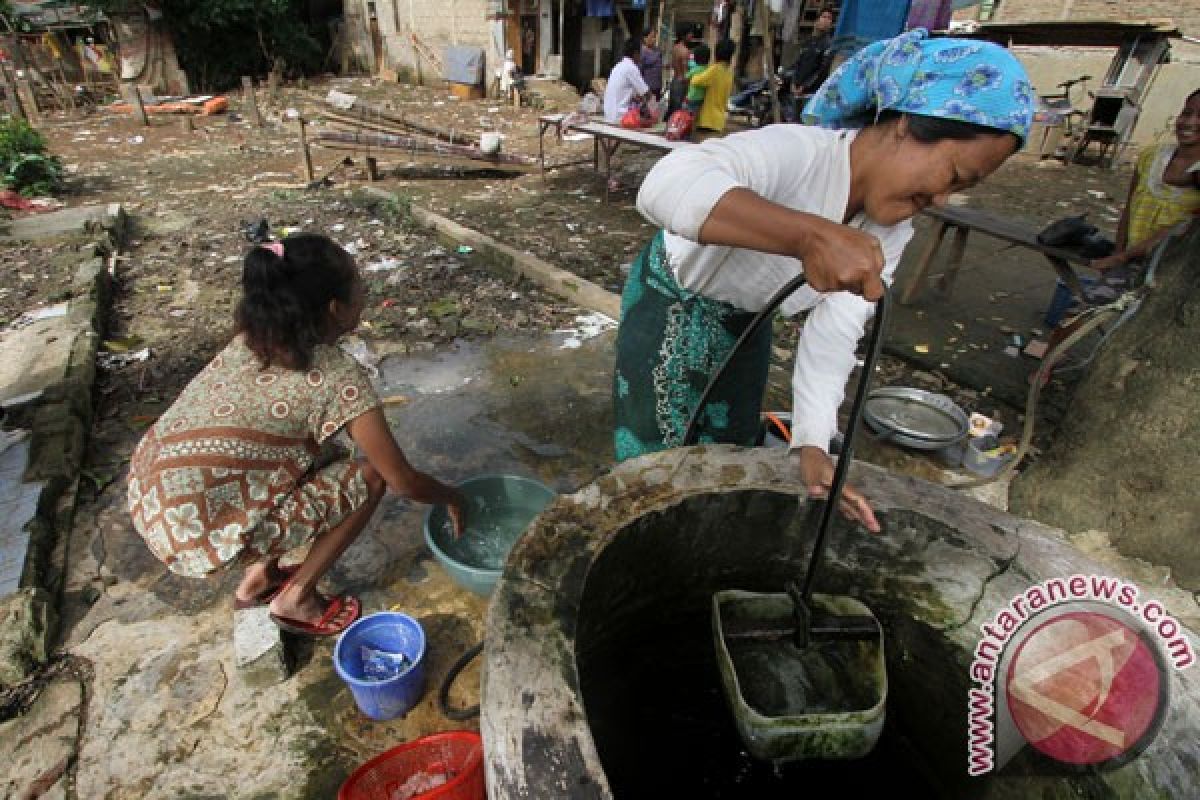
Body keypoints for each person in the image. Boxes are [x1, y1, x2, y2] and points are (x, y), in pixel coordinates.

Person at [613, 29, 1034, 532]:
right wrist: (808, 237)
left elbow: (837, 328)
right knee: (653, 466)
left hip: (748, 324)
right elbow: (664, 186)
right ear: (905, 125)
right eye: (954, 175)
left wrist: (811, 442)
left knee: (725, 450)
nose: (944, 199)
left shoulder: (890, 230)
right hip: (671, 305)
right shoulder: (799, 153)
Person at [126, 234, 466, 637]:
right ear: (337, 309)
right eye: (360, 286)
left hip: (149, 495)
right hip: (195, 534)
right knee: (369, 476)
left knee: (314, 449)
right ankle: (297, 598)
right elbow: (401, 480)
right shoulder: (339, 380)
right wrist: (452, 495)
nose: (365, 293)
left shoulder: (251, 340)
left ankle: (259, 578)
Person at [1085, 89, 1200, 293]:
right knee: (1079, 314)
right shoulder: (1151, 156)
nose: (1189, 122)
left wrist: (1122, 257)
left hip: (1168, 273)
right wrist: (1118, 253)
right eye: (1186, 112)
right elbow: (1129, 208)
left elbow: (1180, 230)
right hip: (1129, 260)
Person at [691, 38, 736, 134]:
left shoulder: (714, 70)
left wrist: (695, 71)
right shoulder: (729, 73)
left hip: (707, 120)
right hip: (719, 122)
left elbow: (696, 81)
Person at [790, 8, 835, 101]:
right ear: (817, 20)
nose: (825, 20)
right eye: (823, 17)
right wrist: (793, 82)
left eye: (829, 18)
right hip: (796, 90)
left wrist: (804, 86)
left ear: (831, 24)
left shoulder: (828, 45)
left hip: (812, 93)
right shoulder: (808, 42)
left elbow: (822, 71)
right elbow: (798, 63)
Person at [604, 38, 650, 124]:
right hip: (619, 116)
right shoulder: (631, 68)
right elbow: (647, 93)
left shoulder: (618, 66)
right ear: (636, 53)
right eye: (640, 53)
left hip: (608, 114)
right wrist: (646, 104)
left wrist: (636, 98)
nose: (641, 56)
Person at [666, 24, 698, 117]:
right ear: (683, 35)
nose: (692, 35)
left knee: (672, 110)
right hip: (681, 84)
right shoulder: (685, 51)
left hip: (674, 82)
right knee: (678, 112)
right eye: (690, 33)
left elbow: (673, 64)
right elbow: (685, 74)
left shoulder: (675, 47)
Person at [684, 43, 711, 114]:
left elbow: (685, 78)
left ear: (695, 58)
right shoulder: (708, 69)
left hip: (691, 97)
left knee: (688, 114)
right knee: (697, 114)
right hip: (702, 98)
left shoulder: (694, 70)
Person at [640, 28, 664, 100]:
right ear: (645, 38)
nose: (654, 39)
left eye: (655, 37)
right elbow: (639, 71)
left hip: (657, 87)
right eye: (652, 37)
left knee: (655, 109)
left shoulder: (657, 50)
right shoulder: (642, 52)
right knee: (649, 109)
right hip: (647, 88)